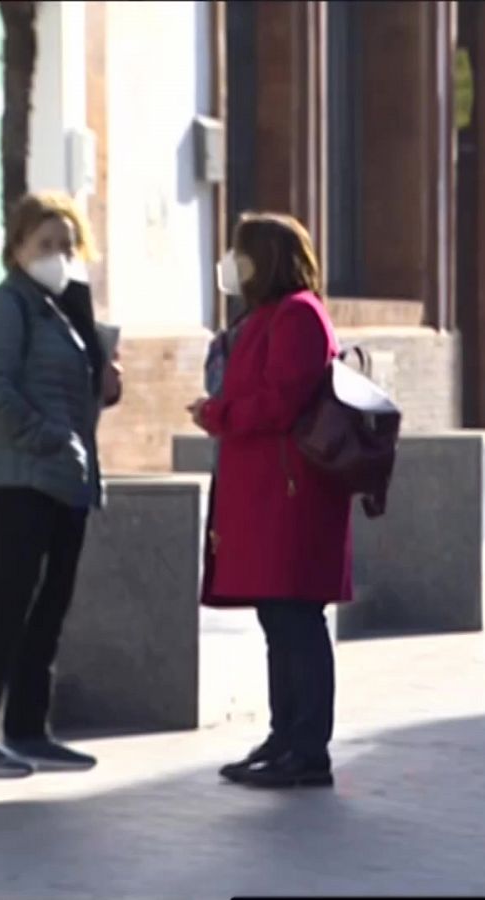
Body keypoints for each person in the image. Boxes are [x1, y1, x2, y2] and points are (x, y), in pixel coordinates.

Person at [0, 191, 121, 778]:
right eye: (45, 244)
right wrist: (46, 437)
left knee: (48, 606)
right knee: (10, 601)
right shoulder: (5, 309)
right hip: (13, 475)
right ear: (16, 249)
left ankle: (27, 728)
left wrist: (102, 379)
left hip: (62, 478)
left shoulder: (62, 313)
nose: (58, 256)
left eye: (67, 245)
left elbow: (70, 394)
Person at [190, 212, 351, 789]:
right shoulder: (264, 317)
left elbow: (281, 401)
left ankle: (309, 748)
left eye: (241, 252)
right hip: (263, 494)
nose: (231, 265)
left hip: (291, 495)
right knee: (276, 618)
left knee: (297, 617)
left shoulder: (299, 316)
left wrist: (217, 414)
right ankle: (285, 736)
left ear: (267, 258)